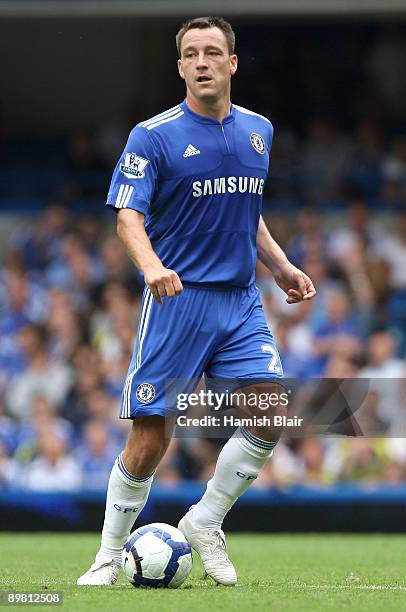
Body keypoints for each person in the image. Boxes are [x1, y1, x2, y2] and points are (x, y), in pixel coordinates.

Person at [77, 16, 315, 587]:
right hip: (177, 300)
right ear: (180, 66)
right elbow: (128, 216)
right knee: (151, 439)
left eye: (213, 52)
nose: (202, 62)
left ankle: (205, 521)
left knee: (270, 410)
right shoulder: (152, 135)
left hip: (239, 301)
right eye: (191, 54)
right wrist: (153, 266)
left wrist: (280, 266)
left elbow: (246, 211)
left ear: (232, 64)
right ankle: (109, 556)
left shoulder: (259, 130)